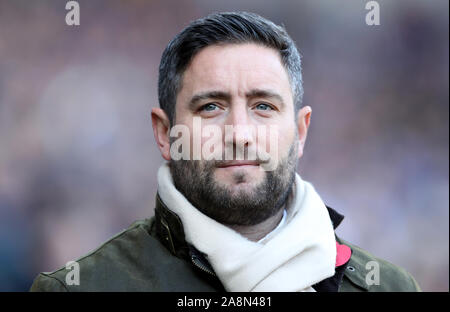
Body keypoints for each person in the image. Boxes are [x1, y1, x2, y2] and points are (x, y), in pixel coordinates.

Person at [30, 11, 420, 292]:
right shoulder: (85, 287)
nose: (239, 134)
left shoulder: (389, 287)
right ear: (165, 133)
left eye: (263, 107)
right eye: (211, 107)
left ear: (300, 131)